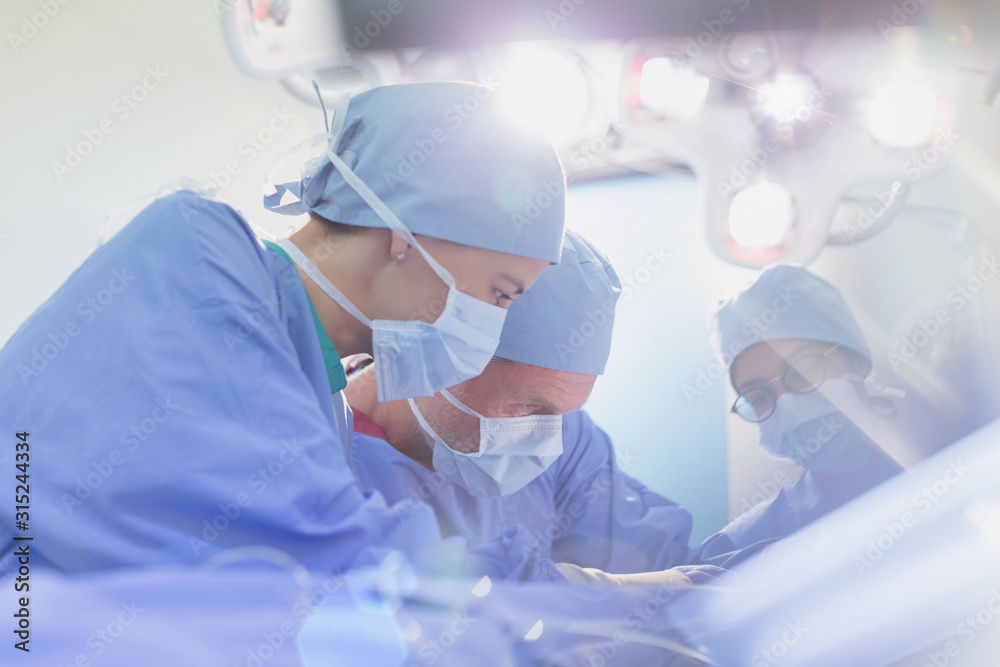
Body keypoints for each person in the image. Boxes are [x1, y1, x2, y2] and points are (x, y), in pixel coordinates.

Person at [0, 82, 569, 579]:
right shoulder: (197, 251)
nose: (492, 325)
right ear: (411, 229)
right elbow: (320, 538)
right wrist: (558, 594)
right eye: (500, 293)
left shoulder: (325, 407)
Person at [345, 229, 767, 586]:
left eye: (564, 413)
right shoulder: (324, 452)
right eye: (529, 406)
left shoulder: (566, 440)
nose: (545, 436)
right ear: (443, 355)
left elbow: (658, 564)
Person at [697, 263, 906, 552]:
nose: (789, 407)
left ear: (856, 360)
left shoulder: (964, 443)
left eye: (802, 371)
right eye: (759, 398)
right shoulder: (745, 547)